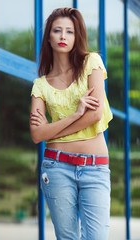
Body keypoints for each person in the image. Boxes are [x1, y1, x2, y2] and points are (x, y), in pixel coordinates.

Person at [30, 7, 113, 239]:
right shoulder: (41, 85)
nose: (63, 36)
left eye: (70, 31)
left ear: (77, 37)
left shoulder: (91, 63)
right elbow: (37, 135)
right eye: (57, 30)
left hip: (95, 168)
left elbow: (95, 115)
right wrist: (76, 114)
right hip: (56, 168)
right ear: (49, 36)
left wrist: (51, 130)